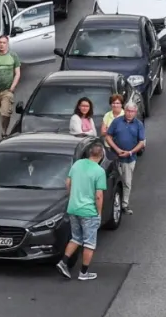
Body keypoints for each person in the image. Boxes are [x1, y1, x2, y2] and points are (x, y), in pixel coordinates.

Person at [57, 142, 107, 281]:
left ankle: (63, 262)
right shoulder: (99, 171)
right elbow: (99, 196)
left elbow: (68, 183)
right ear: (101, 155)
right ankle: (84, 273)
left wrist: (72, 197)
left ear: (89, 153)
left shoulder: (77, 164)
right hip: (89, 211)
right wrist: (99, 213)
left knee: (76, 238)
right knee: (89, 243)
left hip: (73, 208)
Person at [104, 102, 145, 213]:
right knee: (113, 181)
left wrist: (130, 152)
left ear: (135, 112)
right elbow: (108, 136)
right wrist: (117, 149)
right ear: (124, 110)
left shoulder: (139, 125)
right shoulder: (117, 121)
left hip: (129, 159)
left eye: (132, 111)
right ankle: (112, 204)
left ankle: (124, 204)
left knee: (127, 181)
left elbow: (141, 142)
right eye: (127, 110)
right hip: (114, 158)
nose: (129, 113)